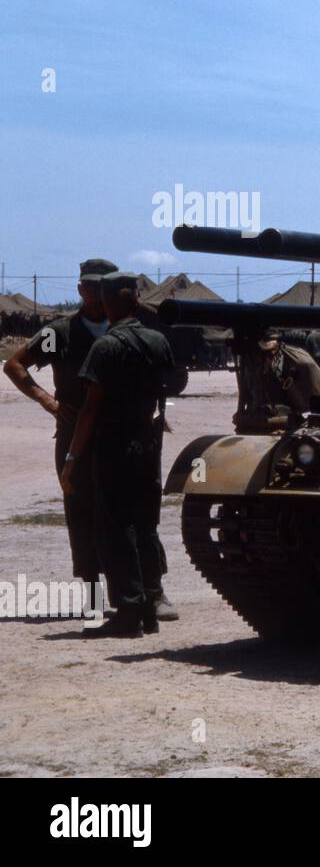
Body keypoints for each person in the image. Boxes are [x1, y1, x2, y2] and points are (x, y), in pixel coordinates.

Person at [61, 273, 176, 637]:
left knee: (116, 528)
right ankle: (150, 606)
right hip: (149, 444)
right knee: (145, 525)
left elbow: (91, 410)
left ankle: (128, 611)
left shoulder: (106, 347)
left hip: (114, 446)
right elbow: (166, 393)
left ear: (108, 304)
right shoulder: (158, 341)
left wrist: (71, 458)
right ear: (137, 300)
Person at [3, 258, 116, 615]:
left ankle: (144, 593)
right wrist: (48, 402)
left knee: (128, 511)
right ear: (80, 289)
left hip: (121, 431)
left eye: (102, 287)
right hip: (73, 432)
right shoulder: (61, 333)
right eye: (89, 287)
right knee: (80, 512)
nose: (95, 294)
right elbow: (14, 365)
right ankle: (94, 601)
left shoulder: (124, 328)